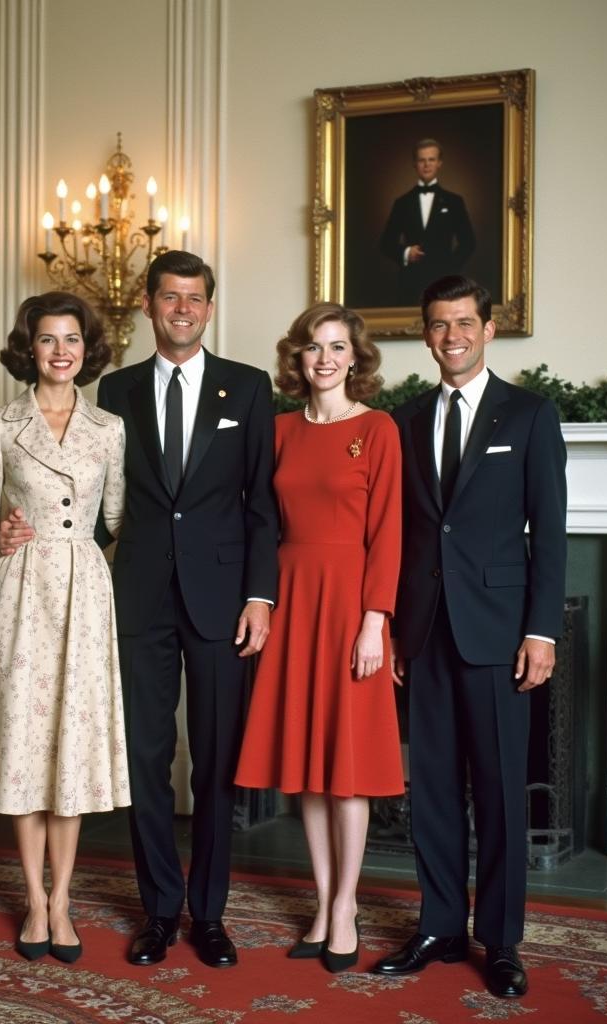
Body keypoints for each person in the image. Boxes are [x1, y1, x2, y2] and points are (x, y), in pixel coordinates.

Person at [0, 250, 279, 968]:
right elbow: (73, 489)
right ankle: (159, 910)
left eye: (195, 298)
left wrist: (259, 596)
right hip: (134, 600)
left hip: (223, 603)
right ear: (149, 306)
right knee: (146, 758)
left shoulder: (247, 389)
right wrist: (13, 524)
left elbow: (261, 507)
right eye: (170, 297)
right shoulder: (112, 390)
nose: (182, 308)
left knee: (215, 760)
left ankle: (209, 915)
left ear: (208, 309)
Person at [372, 276, 567, 998]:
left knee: (498, 792)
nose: (451, 336)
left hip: (497, 634)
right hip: (424, 630)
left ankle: (503, 941)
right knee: (431, 792)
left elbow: (549, 534)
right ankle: (440, 924)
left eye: (463, 323)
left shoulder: (529, 415)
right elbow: (397, 534)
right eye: (438, 325)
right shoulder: (405, 418)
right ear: (425, 335)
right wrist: (390, 625)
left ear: (488, 329)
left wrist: (541, 631)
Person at [0, 291, 130, 964]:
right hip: (16, 592)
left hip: (84, 595)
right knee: (25, 745)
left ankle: (64, 900)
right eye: (49, 340)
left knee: (70, 750)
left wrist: (91, 563)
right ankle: (33, 898)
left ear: (88, 351)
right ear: (30, 349)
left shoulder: (109, 428)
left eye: (72, 340)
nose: (61, 351)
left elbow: (117, 523)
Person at [235, 302, 403, 974]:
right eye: (313, 347)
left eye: (337, 347)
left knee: (349, 765)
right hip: (294, 597)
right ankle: (324, 897)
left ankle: (344, 907)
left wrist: (375, 621)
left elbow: (390, 530)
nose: (325, 358)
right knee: (306, 764)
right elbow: (255, 522)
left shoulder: (380, 429)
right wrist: (262, 601)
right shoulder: (276, 430)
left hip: (351, 604)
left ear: (355, 358)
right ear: (296, 359)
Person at [379, 139, 476, 307]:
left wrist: (449, 269)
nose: (426, 165)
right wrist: (406, 252)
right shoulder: (402, 202)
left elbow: (469, 242)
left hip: (445, 284)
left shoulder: (454, 202)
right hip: (409, 283)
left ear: (439, 163)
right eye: (422, 160)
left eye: (431, 159)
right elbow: (385, 243)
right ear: (414, 164)